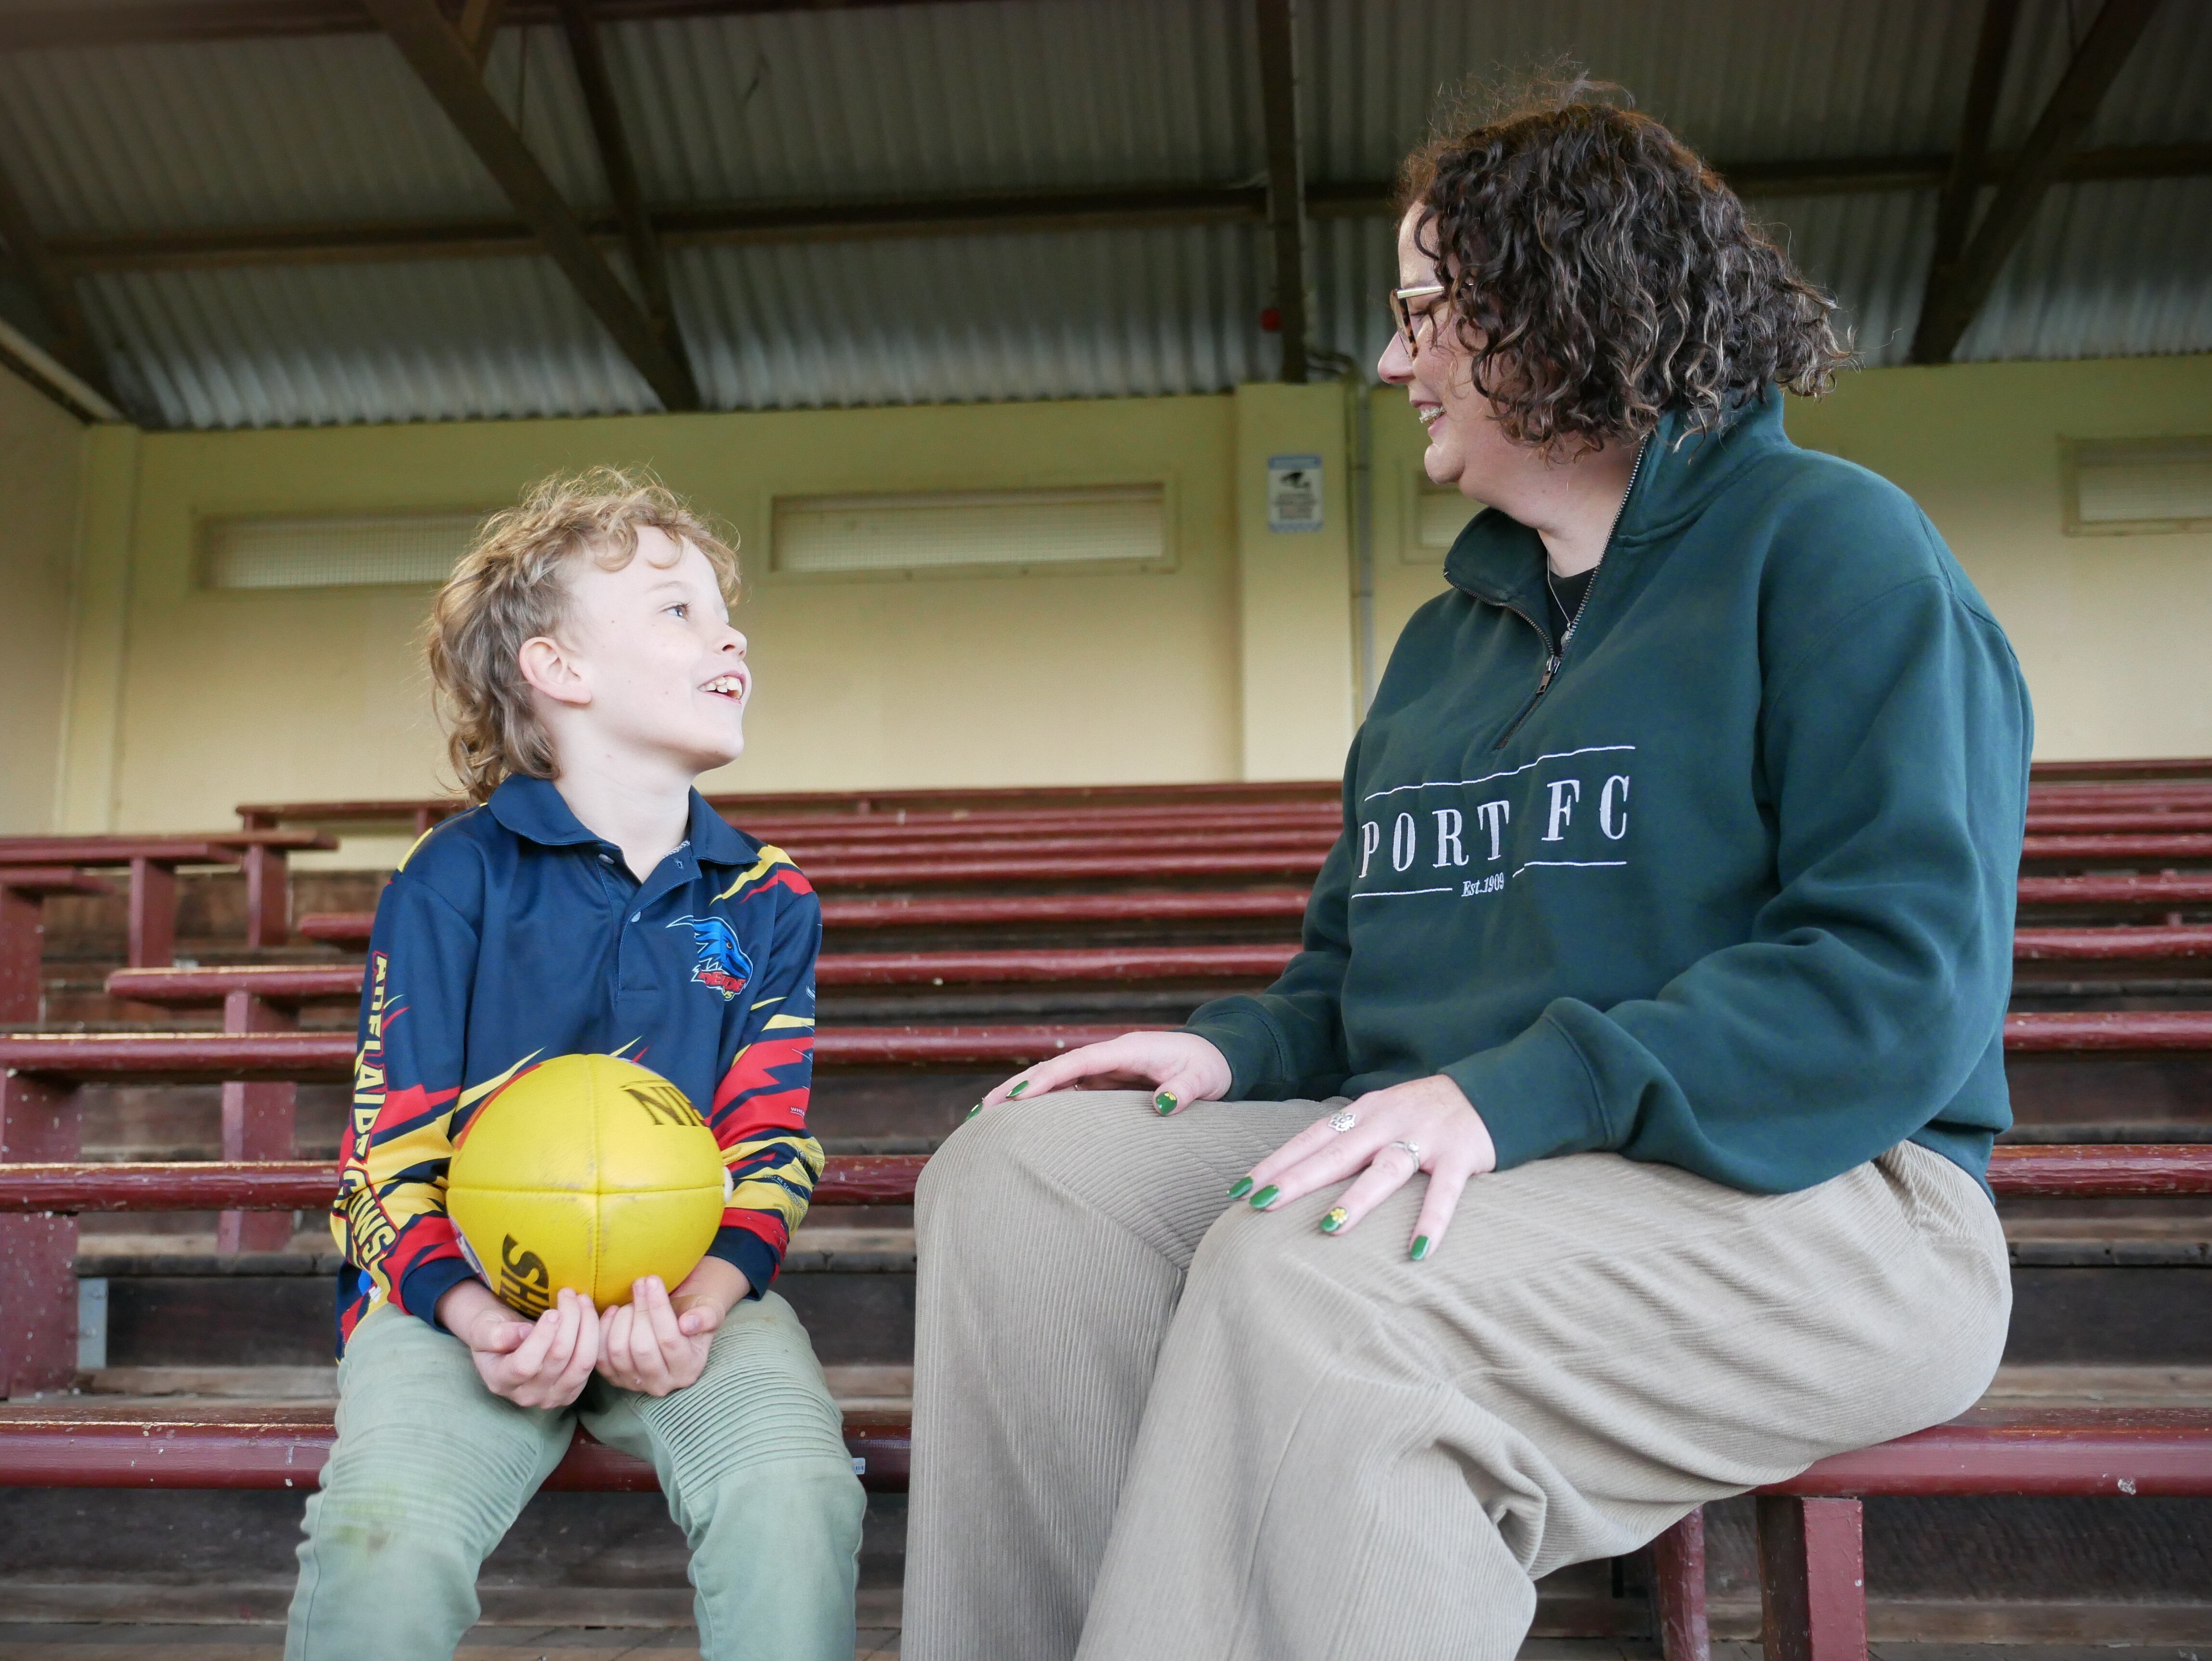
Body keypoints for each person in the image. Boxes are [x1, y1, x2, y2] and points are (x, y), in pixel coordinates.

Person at [907, 82, 2029, 1661]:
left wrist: (1514, 1093)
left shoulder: (1837, 553)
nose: (1386, 361)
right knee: (1021, 1178)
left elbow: (1896, 986)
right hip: (1502, 1164)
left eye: (1422, 307)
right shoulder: (1447, 643)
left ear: (1558, 302)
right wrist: (1233, 1047)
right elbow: (1352, 993)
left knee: (1323, 1280)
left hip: (1836, 1196)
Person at [285, 470, 864, 1661]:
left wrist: (703, 1301)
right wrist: (471, 1311)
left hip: (682, 1297)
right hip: (459, 1305)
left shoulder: (767, 895)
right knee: (383, 1529)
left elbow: (769, 1139)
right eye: (677, 609)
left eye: (724, 610)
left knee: (794, 1485)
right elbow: (384, 1150)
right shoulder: (453, 878)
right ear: (559, 669)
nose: (729, 632)